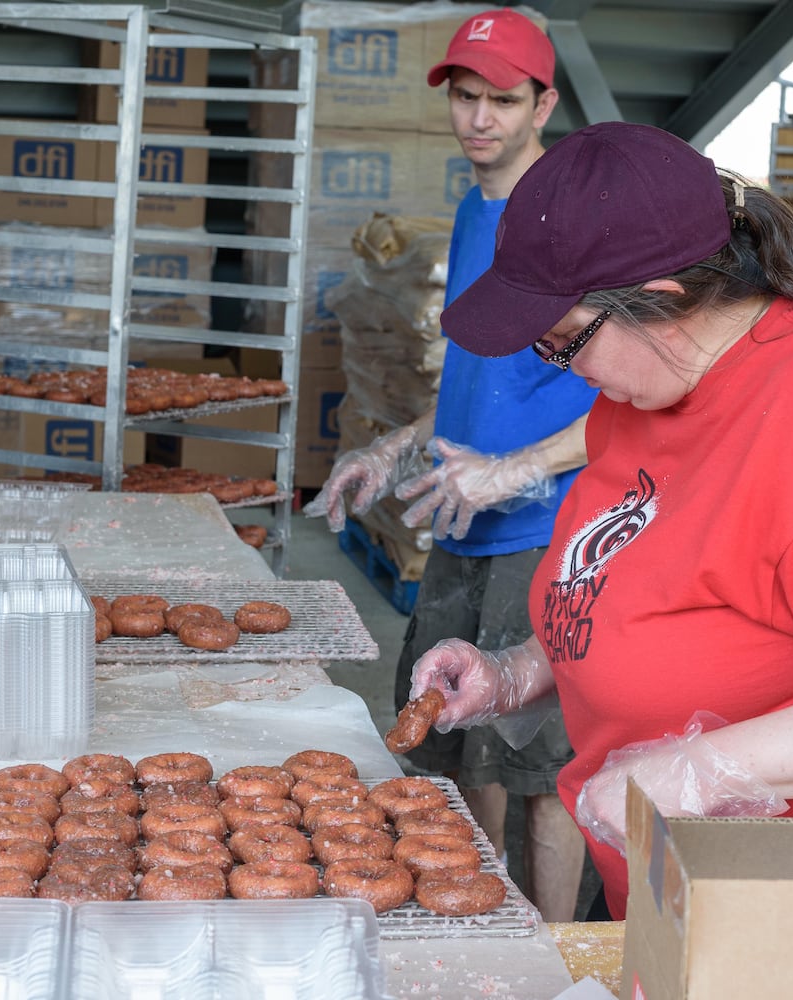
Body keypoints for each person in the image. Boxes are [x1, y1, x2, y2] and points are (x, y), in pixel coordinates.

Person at [406, 120, 793, 920]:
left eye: (564, 343)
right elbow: (645, 591)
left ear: (663, 301)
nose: (559, 367)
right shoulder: (649, 388)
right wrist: (520, 674)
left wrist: (693, 772)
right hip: (683, 892)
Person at [303, 8, 596, 921]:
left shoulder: (576, 227)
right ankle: (475, 930)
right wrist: (394, 449)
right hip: (464, 521)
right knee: (448, 736)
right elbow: (479, 382)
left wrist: (514, 472)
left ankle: (553, 963)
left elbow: (640, 400)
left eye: (502, 100)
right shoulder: (477, 211)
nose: (479, 119)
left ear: (544, 102)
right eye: (465, 97)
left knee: (538, 769)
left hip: (547, 528)